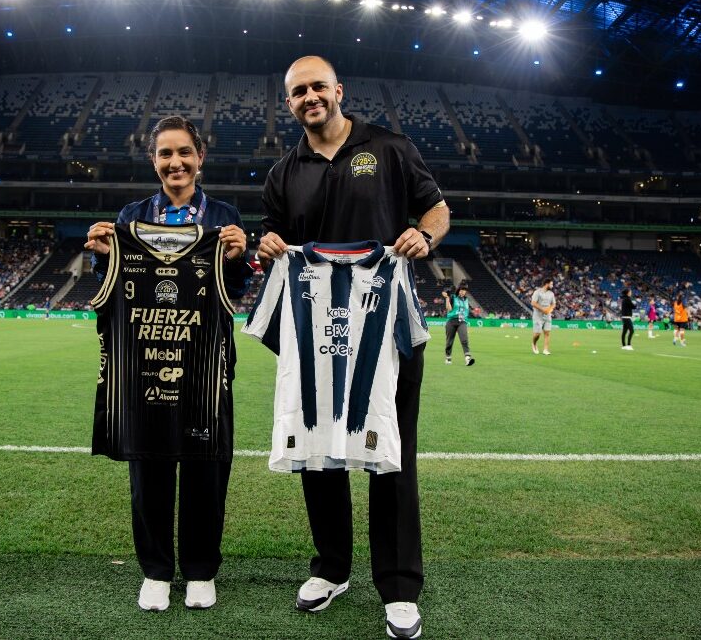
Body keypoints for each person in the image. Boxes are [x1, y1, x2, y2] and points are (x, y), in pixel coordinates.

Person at [255, 56, 449, 639]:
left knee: (390, 451)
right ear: (288, 104)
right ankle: (332, 568)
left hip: (385, 326)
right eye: (297, 92)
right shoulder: (283, 172)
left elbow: (438, 208)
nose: (309, 97)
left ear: (339, 91)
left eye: (317, 87)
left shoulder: (389, 147)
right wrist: (268, 246)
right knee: (319, 448)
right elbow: (274, 241)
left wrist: (425, 232)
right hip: (316, 330)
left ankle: (398, 585)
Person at [84, 115, 252, 613]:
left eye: (183, 152)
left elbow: (235, 292)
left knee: (206, 468)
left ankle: (200, 570)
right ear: (153, 160)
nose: (174, 162)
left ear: (200, 158)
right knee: (149, 467)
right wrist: (101, 254)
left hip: (205, 363)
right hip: (142, 363)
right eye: (164, 154)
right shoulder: (129, 216)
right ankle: (156, 570)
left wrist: (239, 258)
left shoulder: (224, 215)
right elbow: (112, 288)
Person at [443, 285, 474, 365]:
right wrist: (447, 298)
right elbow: (449, 309)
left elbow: (466, 312)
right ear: (458, 290)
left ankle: (467, 358)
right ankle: (448, 357)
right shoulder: (453, 297)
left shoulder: (466, 300)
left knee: (464, 339)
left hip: (462, 321)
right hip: (451, 321)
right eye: (461, 290)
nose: (463, 291)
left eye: (464, 290)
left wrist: (467, 323)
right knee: (449, 341)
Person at [531, 278, 555, 355]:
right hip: (538, 315)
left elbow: (553, 304)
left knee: (547, 333)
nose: (552, 285)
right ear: (546, 284)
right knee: (538, 333)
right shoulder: (537, 292)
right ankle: (534, 344)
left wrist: (549, 309)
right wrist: (543, 309)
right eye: (551, 284)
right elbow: (533, 303)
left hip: (547, 315)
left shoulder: (551, 293)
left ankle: (545, 349)